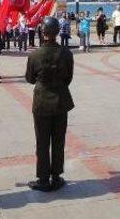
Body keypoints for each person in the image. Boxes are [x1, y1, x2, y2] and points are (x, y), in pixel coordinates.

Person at [25, 17, 74, 191]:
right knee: (58, 140)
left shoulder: (35, 54)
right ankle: (56, 175)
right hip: (61, 100)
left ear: (42, 33)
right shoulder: (66, 53)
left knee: (42, 141)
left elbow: (30, 79)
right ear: (57, 33)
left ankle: (43, 178)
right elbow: (68, 77)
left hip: (42, 102)